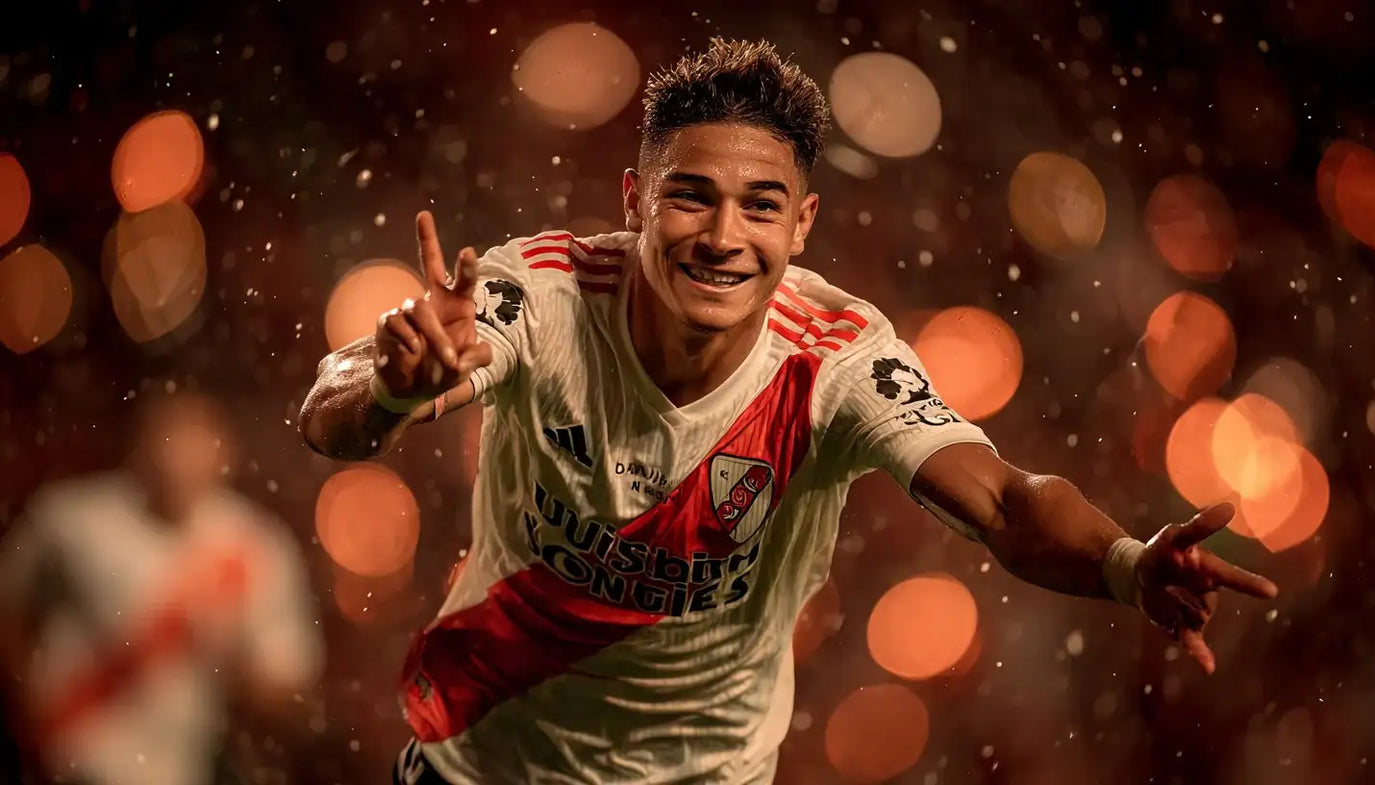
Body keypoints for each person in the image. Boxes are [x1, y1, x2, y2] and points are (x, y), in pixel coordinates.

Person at [299, 37, 1278, 785]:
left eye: (760, 205)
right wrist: (392, 385)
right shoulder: (544, 296)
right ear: (634, 200)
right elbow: (331, 412)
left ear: (800, 223)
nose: (723, 236)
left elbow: (1006, 502)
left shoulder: (838, 362)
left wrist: (1121, 561)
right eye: (690, 197)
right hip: (481, 764)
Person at [0, 391, 324, 785]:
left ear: (225, 453)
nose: (177, 460)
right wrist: (26, 709)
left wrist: (227, 662)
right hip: (67, 762)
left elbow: (289, 686)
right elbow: (11, 604)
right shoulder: (69, 522)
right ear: (138, 443)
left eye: (194, 441)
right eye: (167, 437)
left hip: (182, 771)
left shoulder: (253, 549)